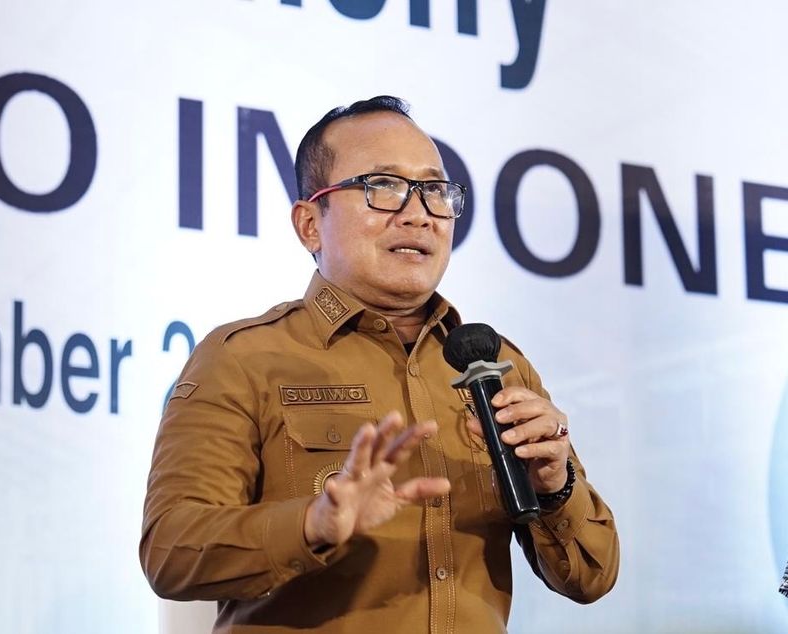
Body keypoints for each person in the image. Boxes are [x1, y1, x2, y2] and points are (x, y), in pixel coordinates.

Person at [140, 96, 619, 633]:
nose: (418, 213)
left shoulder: (496, 364)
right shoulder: (243, 358)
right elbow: (171, 550)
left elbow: (591, 575)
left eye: (435, 191)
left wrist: (554, 485)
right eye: (382, 187)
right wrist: (313, 524)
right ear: (309, 224)